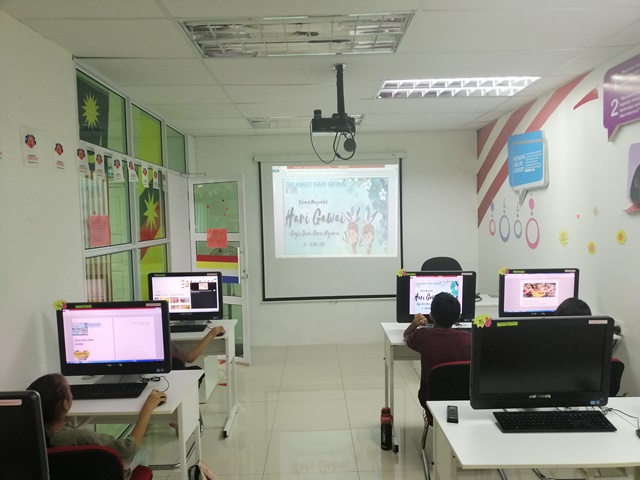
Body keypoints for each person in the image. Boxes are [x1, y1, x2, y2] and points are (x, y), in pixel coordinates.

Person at [27, 373, 166, 480]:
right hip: (113, 474)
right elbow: (128, 449)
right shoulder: (80, 437)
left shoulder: (31, 437)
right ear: (66, 404)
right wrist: (147, 408)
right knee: (141, 452)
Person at [403, 292, 471, 410]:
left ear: (431, 315)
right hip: (464, 401)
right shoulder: (468, 338)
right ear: (458, 317)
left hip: (430, 400)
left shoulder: (422, 336)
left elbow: (406, 335)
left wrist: (415, 323)